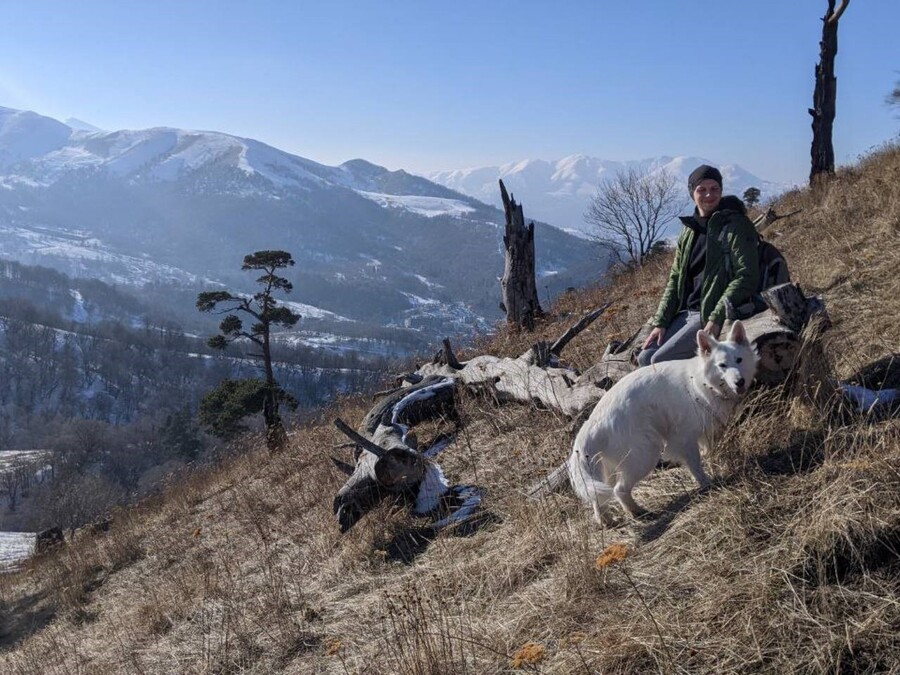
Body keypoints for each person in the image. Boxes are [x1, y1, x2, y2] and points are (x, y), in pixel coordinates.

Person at [637, 164, 759, 367]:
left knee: (659, 362)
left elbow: (746, 275)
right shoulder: (689, 230)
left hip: (707, 312)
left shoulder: (735, 225)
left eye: (715, 189)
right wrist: (661, 322)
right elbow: (675, 278)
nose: (709, 195)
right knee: (644, 358)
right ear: (691, 192)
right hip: (685, 312)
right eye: (701, 189)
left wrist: (716, 317)